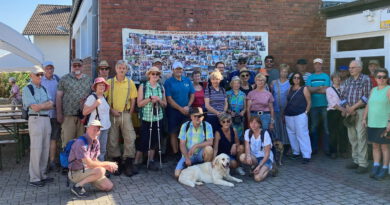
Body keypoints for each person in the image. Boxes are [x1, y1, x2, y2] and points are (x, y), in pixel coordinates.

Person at [68, 120, 118, 198]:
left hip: (88, 170)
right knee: (101, 170)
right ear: (87, 129)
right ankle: (77, 186)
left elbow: (94, 160)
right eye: (93, 129)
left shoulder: (96, 142)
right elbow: (90, 163)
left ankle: (88, 179)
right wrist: (107, 163)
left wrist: (106, 166)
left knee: (108, 186)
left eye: (98, 130)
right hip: (75, 173)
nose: (96, 132)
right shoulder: (80, 143)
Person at [22, 66, 54, 187]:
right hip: (35, 119)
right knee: (36, 149)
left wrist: (41, 105)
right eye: (37, 74)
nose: (40, 76)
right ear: (31, 75)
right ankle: (34, 178)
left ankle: (42, 175)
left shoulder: (44, 88)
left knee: (45, 148)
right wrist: (45, 105)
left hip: (46, 119)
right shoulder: (27, 89)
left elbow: (52, 104)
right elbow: (34, 107)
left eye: (41, 74)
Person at [105, 60, 138, 177]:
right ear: (116, 69)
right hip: (112, 113)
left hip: (125, 113)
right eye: (119, 68)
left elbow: (133, 99)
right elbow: (104, 99)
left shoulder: (130, 83)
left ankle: (128, 163)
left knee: (130, 138)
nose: (122, 70)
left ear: (126, 70)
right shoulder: (109, 82)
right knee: (112, 139)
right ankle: (117, 164)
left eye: (124, 68)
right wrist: (111, 110)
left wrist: (130, 112)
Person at [340, 60, 372, 174]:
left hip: (360, 111)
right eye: (350, 67)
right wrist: (348, 108)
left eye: (353, 67)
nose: (350, 69)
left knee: (361, 137)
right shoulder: (347, 81)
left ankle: (363, 164)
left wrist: (353, 108)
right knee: (352, 137)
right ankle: (356, 160)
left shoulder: (366, 79)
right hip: (350, 112)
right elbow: (342, 96)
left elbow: (366, 97)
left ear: (360, 68)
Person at [135, 66, 167, 171]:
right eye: (153, 74)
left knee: (154, 141)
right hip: (146, 118)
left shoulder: (161, 87)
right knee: (143, 140)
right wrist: (149, 99)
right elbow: (139, 104)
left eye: (157, 74)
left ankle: (150, 161)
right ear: (149, 75)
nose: (155, 76)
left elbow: (165, 104)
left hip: (158, 117)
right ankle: (137, 161)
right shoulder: (143, 86)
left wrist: (158, 100)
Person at [57, 59, 92, 147]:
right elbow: (58, 97)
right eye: (74, 65)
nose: (77, 67)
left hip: (83, 117)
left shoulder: (88, 80)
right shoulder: (64, 79)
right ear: (71, 67)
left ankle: (79, 161)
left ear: (82, 67)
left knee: (81, 144)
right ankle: (67, 161)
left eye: (79, 65)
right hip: (68, 116)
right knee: (67, 143)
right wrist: (59, 114)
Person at [362, 68, 390, 180]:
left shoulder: (389, 89)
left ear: (387, 79)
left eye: (384, 77)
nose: (381, 79)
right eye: (379, 77)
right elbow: (368, 105)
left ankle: (384, 167)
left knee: (384, 147)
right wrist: (364, 118)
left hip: (384, 124)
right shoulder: (373, 90)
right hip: (372, 123)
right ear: (375, 78)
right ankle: (376, 166)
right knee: (375, 146)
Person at [164, 62, 195, 157]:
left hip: (186, 110)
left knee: (185, 132)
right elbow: (169, 99)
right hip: (173, 111)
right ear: (173, 70)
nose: (179, 70)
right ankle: (175, 153)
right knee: (173, 132)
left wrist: (188, 106)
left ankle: (185, 153)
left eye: (180, 69)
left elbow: (192, 95)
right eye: (177, 69)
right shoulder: (168, 82)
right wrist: (180, 108)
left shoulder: (187, 80)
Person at [174, 107, 213, 178]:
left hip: (201, 154)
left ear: (203, 117)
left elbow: (210, 142)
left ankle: (206, 171)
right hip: (188, 154)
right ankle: (193, 168)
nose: (197, 118)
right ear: (191, 117)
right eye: (195, 116)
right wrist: (186, 157)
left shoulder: (207, 125)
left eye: (199, 116)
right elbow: (182, 144)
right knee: (177, 175)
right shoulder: (185, 126)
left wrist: (196, 146)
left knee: (209, 149)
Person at [284, 72, 312, 164]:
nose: (296, 79)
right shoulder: (289, 89)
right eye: (295, 77)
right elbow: (287, 103)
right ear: (292, 79)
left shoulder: (304, 89)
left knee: (302, 134)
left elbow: (309, 102)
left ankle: (306, 155)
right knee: (291, 134)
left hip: (300, 115)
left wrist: (305, 113)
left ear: (301, 79)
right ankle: (296, 152)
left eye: (298, 78)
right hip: (289, 115)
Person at [83, 77, 111, 161]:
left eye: (103, 85)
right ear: (95, 87)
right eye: (100, 85)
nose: (102, 87)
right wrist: (95, 105)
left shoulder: (104, 97)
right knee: (93, 150)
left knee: (102, 150)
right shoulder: (92, 97)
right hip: (95, 129)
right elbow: (84, 112)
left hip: (105, 127)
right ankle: (93, 170)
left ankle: (100, 168)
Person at [306, 58, 330, 155]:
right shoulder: (310, 77)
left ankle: (326, 149)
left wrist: (314, 89)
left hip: (324, 105)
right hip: (313, 105)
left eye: (319, 64)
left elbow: (326, 90)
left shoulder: (326, 76)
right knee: (313, 127)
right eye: (315, 64)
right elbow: (308, 90)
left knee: (326, 127)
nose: (317, 66)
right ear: (314, 65)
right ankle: (314, 148)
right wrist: (320, 87)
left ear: (321, 65)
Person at [239, 116, 274, 182]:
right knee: (242, 157)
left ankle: (269, 169)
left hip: (265, 158)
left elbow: (267, 155)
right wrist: (248, 156)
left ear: (259, 124)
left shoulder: (265, 134)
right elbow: (247, 147)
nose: (253, 125)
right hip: (255, 157)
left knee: (257, 178)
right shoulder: (248, 132)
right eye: (251, 123)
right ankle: (254, 166)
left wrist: (259, 166)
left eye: (255, 123)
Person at [41, 61, 61, 171]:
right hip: (43, 115)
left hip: (54, 115)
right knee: (44, 139)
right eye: (47, 68)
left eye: (51, 68)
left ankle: (52, 161)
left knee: (54, 138)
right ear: (44, 69)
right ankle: (44, 163)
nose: (50, 70)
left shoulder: (58, 79)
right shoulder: (39, 80)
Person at [326, 72, 348, 159]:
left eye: (339, 77)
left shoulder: (344, 88)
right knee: (333, 133)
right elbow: (332, 103)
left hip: (342, 112)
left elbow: (346, 99)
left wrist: (344, 110)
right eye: (335, 78)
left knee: (343, 132)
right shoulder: (329, 90)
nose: (337, 79)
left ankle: (343, 151)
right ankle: (333, 152)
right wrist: (343, 110)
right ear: (332, 79)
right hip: (333, 112)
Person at [270, 64, 290, 146]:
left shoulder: (290, 83)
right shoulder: (274, 82)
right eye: (282, 71)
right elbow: (271, 95)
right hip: (275, 109)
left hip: (286, 109)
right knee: (276, 127)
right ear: (279, 72)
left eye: (285, 72)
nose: (284, 73)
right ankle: (278, 145)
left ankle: (286, 145)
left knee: (285, 128)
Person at [226, 76, 246, 141]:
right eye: (235, 83)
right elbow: (225, 107)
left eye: (238, 83)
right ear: (232, 84)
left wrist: (243, 112)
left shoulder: (243, 94)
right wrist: (230, 112)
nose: (236, 85)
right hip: (230, 118)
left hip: (240, 118)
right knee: (231, 134)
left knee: (240, 135)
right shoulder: (227, 94)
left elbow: (246, 107)